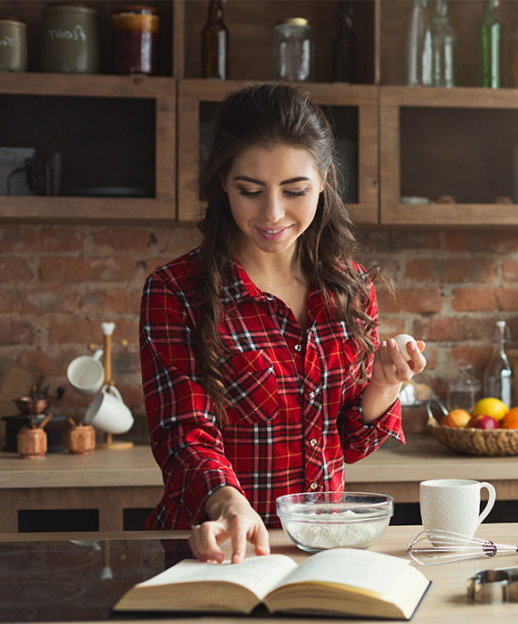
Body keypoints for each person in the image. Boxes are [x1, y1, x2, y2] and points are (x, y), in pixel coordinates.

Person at [139, 83, 426, 563]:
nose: (272, 214)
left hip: (320, 552)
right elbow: (183, 433)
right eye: (249, 191)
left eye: (295, 191)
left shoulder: (349, 289)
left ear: (324, 179)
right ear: (222, 184)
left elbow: (348, 445)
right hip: (216, 551)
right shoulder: (177, 291)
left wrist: (382, 386)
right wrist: (228, 500)